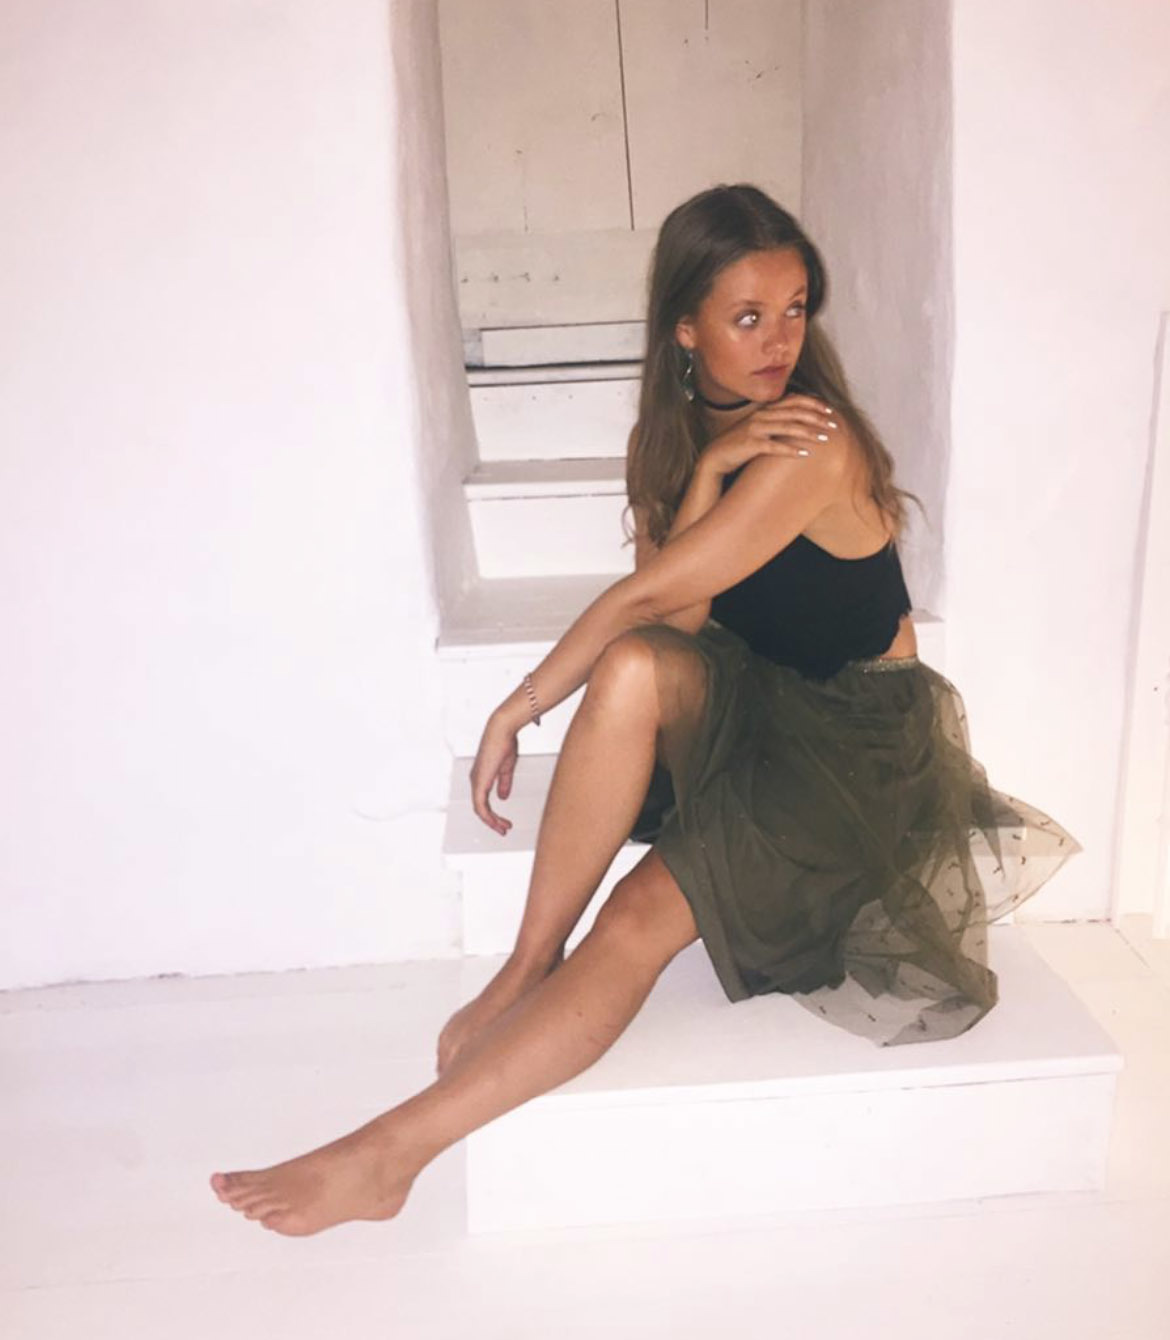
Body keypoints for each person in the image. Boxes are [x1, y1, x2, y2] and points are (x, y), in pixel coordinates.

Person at [210, 184, 1079, 1235]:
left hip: (856, 757)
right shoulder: (682, 439)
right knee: (630, 669)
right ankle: (529, 965)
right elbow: (680, 622)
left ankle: (387, 1158)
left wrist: (515, 709)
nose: (780, 342)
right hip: (764, 707)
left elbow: (643, 598)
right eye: (747, 317)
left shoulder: (814, 441)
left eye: (795, 309)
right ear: (685, 327)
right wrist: (706, 471)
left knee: (634, 918)